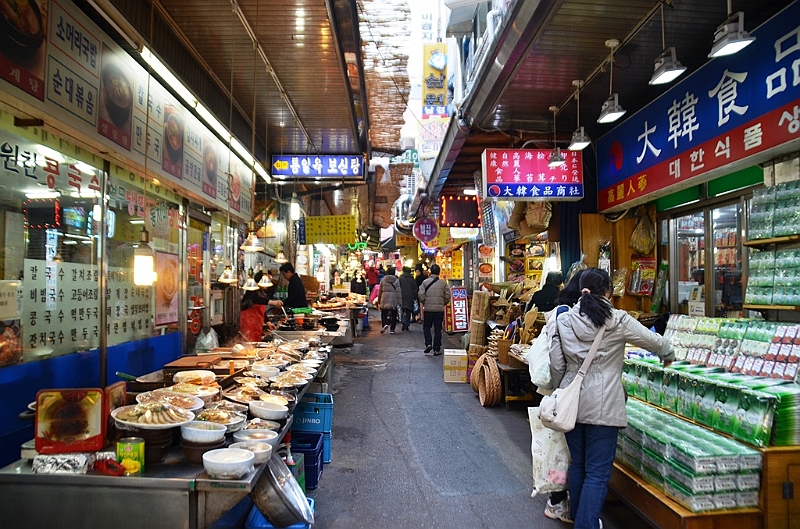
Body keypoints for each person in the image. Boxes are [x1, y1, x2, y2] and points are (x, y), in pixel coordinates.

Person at [549, 269, 673, 529]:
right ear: (608, 292)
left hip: (571, 402)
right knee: (597, 473)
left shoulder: (563, 319)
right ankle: (586, 524)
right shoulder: (618, 319)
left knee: (579, 465)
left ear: (581, 289)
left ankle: (578, 518)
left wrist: (565, 387)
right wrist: (668, 354)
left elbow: (556, 363)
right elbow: (654, 342)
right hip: (604, 406)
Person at [541, 269, 585, 523]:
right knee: (563, 451)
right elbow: (558, 361)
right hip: (564, 390)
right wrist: (561, 391)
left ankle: (560, 500)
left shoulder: (561, 312)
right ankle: (556, 501)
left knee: (561, 449)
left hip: (561, 389)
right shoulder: (566, 315)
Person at [418, 263, 450, 355]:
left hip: (428, 309)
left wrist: (425, 302)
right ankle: (436, 349)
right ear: (439, 272)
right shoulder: (443, 283)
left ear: (430, 272)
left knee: (427, 327)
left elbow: (420, 295)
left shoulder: (425, 282)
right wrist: (442, 303)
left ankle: (428, 343)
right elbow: (448, 296)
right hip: (439, 310)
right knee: (437, 329)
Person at [377, 266, 400, 334]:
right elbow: (398, 291)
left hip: (384, 297)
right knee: (394, 314)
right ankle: (392, 329)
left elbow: (380, 291)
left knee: (384, 312)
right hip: (393, 298)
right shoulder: (396, 280)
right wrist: (399, 302)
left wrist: (379, 300)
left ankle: (384, 324)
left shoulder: (383, 280)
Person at [398, 266, 417, 331]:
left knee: (402, 310)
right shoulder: (412, 278)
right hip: (410, 296)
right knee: (408, 311)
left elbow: (398, 287)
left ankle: (403, 322)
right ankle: (407, 323)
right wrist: (415, 297)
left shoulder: (400, 278)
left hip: (402, 296)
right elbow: (415, 289)